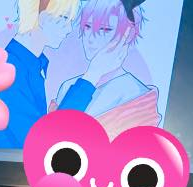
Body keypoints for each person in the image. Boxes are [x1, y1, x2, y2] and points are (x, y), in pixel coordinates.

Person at [49, 0, 161, 139]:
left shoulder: (138, 95)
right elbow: (52, 138)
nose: (91, 38)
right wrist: (93, 75)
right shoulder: (68, 86)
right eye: (87, 27)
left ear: (128, 34)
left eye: (105, 29)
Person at [0, 0, 81, 148]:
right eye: (63, 18)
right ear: (42, 17)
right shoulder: (12, 70)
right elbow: (37, 145)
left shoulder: (31, 64)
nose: (69, 29)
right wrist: (91, 78)